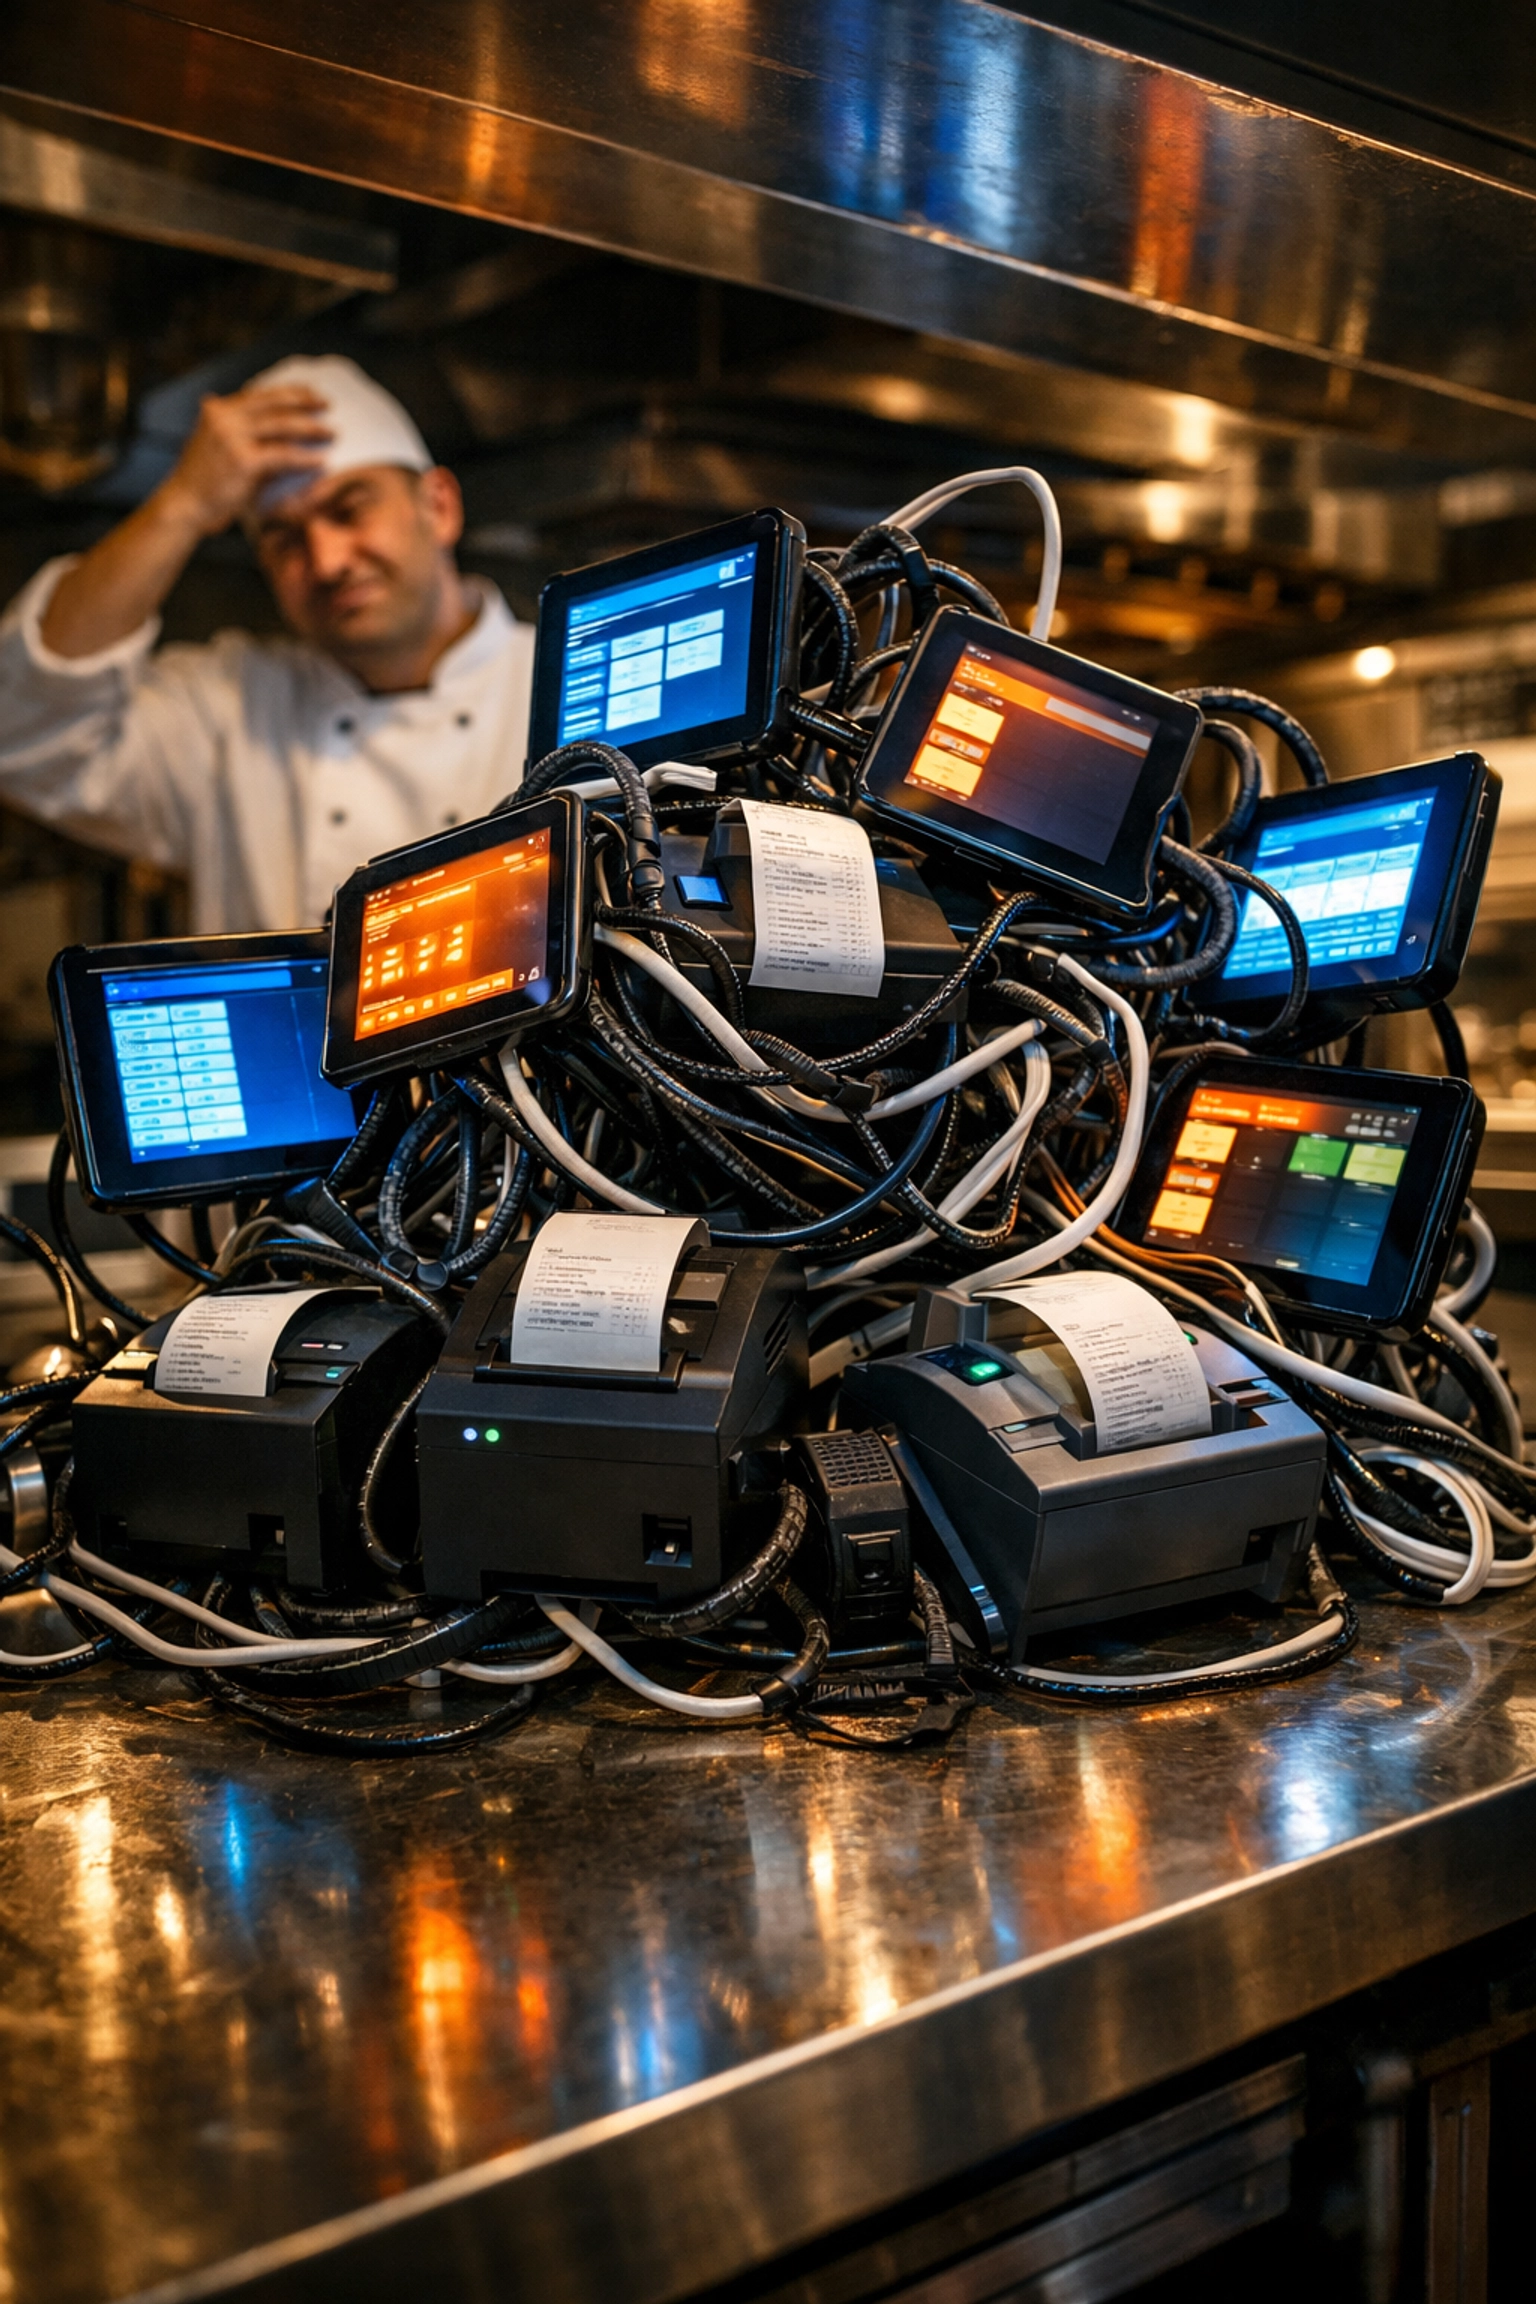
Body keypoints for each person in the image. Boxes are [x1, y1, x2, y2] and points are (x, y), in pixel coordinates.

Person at [0, 355, 534, 931]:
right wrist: (183, 504)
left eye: (349, 510)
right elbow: (25, 731)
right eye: (284, 539)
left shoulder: (557, 682)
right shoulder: (233, 707)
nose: (327, 561)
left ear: (439, 506)